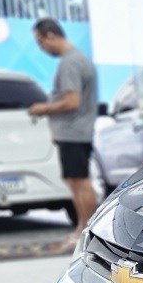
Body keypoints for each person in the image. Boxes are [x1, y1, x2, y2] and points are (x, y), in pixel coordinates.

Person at [28, 17, 98, 243]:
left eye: (40, 42)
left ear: (50, 35)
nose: (41, 48)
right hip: (73, 132)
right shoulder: (76, 60)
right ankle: (82, 228)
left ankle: (88, 232)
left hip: (74, 131)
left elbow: (72, 101)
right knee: (75, 181)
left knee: (80, 181)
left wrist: (44, 108)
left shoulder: (71, 63)